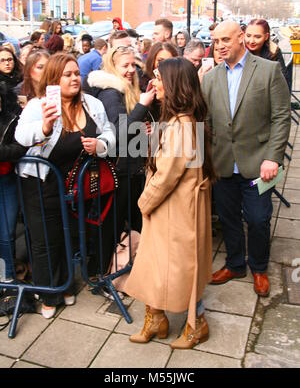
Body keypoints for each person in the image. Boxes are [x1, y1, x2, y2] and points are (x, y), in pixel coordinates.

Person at [15, 53, 116, 318]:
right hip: (40, 183)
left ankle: (65, 285)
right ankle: (49, 294)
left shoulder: (91, 103)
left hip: (74, 186)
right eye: (67, 74)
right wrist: (45, 127)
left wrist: (101, 145)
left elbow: (110, 134)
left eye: (76, 73)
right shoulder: (40, 106)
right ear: (53, 79)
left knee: (65, 236)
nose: (74, 78)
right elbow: (21, 136)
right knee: (43, 241)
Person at [125, 57, 216, 349]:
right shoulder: (182, 120)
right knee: (156, 266)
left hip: (175, 210)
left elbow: (167, 176)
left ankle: (196, 324)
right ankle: (156, 319)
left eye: (160, 79)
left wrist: (144, 202)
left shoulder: (182, 125)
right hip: (173, 208)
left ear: (175, 84)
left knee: (183, 270)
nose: (154, 84)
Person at [201, 21, 291, 297]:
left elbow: (281, 116)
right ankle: (235, 264)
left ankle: (259, 268)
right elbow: (205, 121)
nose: (220, 46)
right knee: (228, 218)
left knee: (258, 218)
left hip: (259, 165)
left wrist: (273, 157)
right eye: (216, 41)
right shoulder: (211, 77)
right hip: (223, 163)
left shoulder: (268, 70)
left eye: (226, 39)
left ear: (241, 38)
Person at [83, 46, 156, 282]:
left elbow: (129, 126)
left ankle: (123, 266)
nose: (130, 70)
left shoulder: (127, 89)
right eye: (125, 65)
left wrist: (143, 129)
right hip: (118, 170)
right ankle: (99, 274)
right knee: (111, 225)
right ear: (113, 66)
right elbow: (117, 131)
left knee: (130, 221)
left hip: (130, 167)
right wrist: (143, 106)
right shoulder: (111, 92)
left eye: (133, 65)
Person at [0, 46, 25, 283]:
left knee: (7, 232)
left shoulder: (13, 115)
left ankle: (7, 279)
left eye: (10, 59)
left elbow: (21, 147)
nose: (7, 63)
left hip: (7, 179)